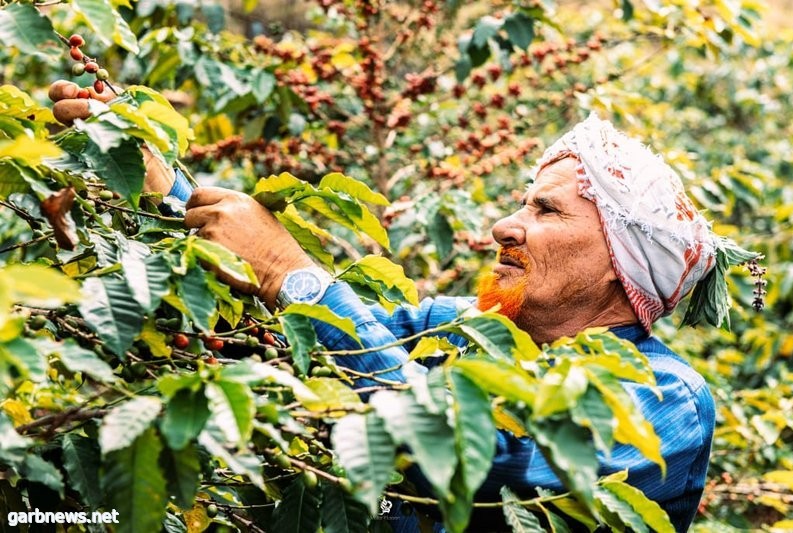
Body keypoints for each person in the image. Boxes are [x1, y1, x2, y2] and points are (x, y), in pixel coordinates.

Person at [49, 80, 756, 532]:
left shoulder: (669, 400)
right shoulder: (468, 334)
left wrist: (291, 270)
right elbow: (347, 334)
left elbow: (483, 461)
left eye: (544, 210)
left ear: (616, 263)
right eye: (519, 203)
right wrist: (160, 189)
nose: (506, 226)